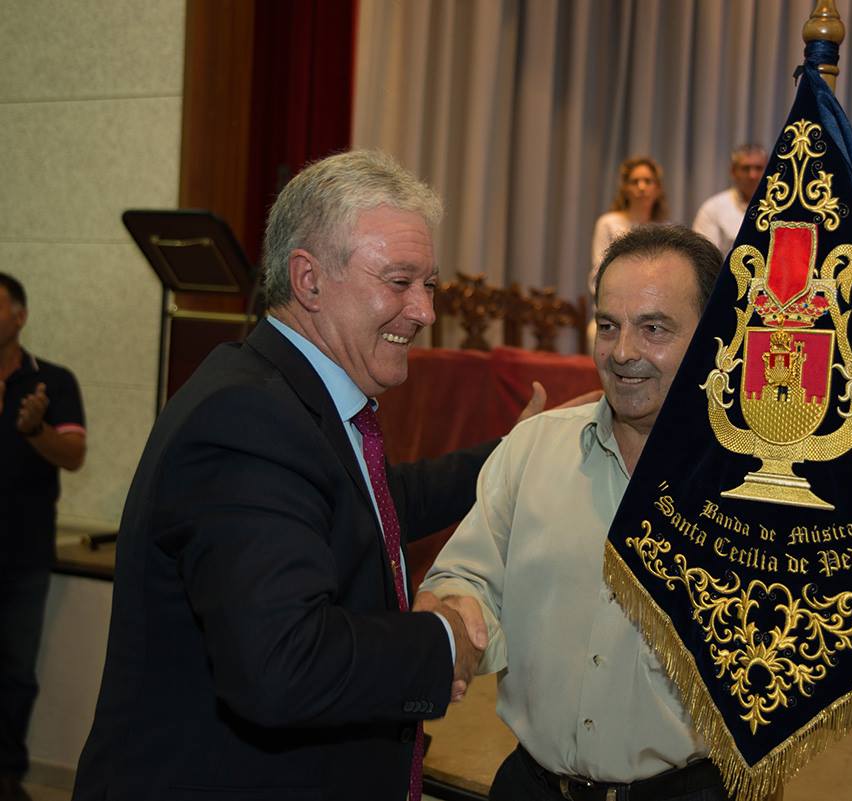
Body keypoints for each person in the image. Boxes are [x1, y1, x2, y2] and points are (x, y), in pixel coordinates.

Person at [73, 151, 523, 801]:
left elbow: (372, 504)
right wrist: (444, 637)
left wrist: (513, 452)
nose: (424, 310)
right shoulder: (248, 416)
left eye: (429, 284)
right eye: (400, 281)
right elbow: (284, 663)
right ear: (309, 280)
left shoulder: (287, 392)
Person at [421, 225, 732, 801]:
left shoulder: (751, 488)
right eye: (608, 326)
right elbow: (466, 578)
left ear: (714, 336)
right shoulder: (532, 448)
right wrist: (458, 614)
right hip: (530, 786)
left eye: (654, 329)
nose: (623, 353)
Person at [0, 274, 86, 801]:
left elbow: (74, 456)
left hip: (22, 554)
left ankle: (6, 776)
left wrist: (35, 430)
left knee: (14, 673)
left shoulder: (51, 383)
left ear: (20, 317)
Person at [589, 156, 669, 295]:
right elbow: (598, 275)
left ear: (657, 189)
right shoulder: (608, 223)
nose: (641, 187)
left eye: (648, 181)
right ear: (625, 188)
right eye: (635, 182)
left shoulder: (666, 229)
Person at [691, 143, 768, 255]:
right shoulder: (713, 209)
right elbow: (704, 260)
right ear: (733, 172)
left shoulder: (781, 207)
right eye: (746, 168)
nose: (753, 175)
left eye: (759, 168)